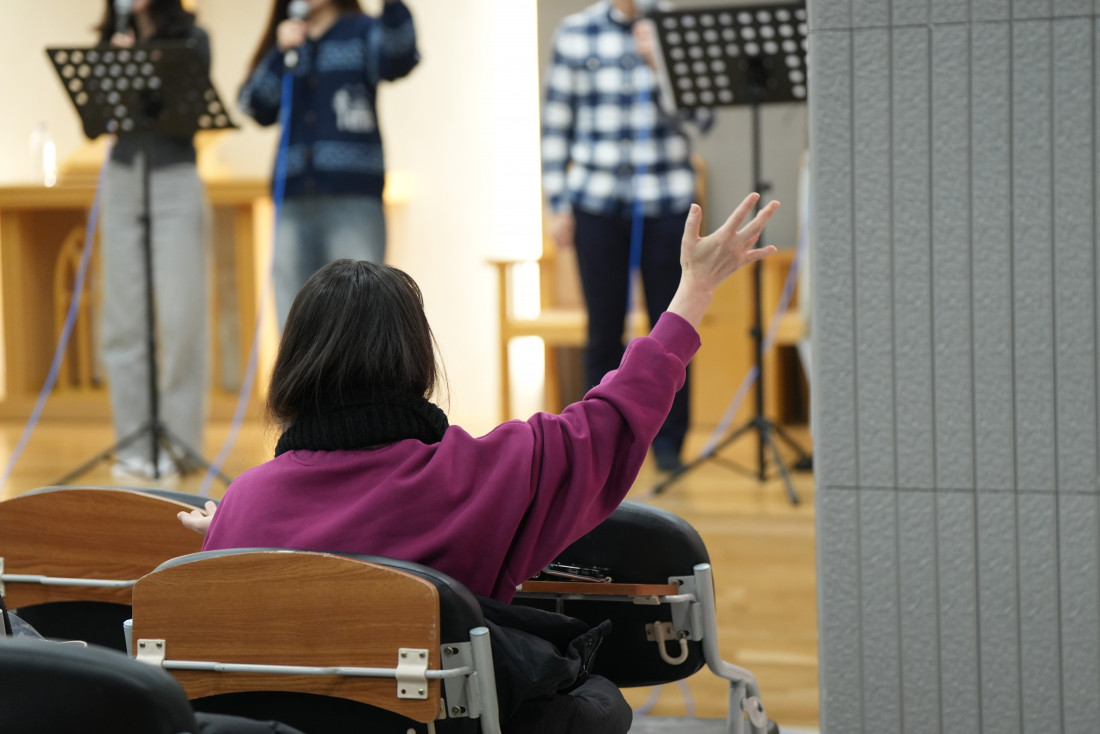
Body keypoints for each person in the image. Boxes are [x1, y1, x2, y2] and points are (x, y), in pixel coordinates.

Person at [179, 194, 776, 733]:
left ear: (294, 364)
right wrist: (695, 287)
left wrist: (229, 529)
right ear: (415, 359)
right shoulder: (492, 471)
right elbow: (614, 418)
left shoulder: (246, 502)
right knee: (596, 700)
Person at [541, 0, 715, 473]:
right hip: (595, 202)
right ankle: (596, 444)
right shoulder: (575, 31)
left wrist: (664, 66)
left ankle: (668, 444)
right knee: (602, 328)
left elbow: (704, 119)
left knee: (673, 326)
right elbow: (556, 125)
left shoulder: (674, 25)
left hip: (667, 203)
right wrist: (557, 204)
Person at [238, 0, 419, 327]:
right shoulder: (289, 41)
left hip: (353, 199)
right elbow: (254, 104)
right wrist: (280, 54)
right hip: (293, 201)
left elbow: (400, 55)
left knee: (360, 314)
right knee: (295, 316)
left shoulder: (362, 31)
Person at [96, 0, 211, 480]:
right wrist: (115, 66)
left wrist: (147, 71)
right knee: (122, 323)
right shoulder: (111, 41)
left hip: (175, 180)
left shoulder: (192, 38)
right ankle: (134, 444)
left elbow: (187, 118)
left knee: (181, 319)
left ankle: (179, 444)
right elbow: (94, 122)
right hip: (122, 179)